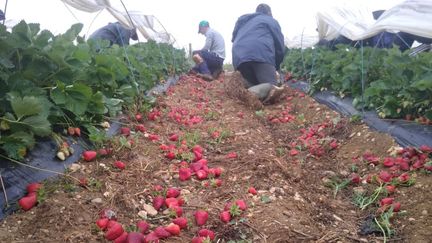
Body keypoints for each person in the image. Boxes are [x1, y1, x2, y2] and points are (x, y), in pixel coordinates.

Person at [231, 3, 286, 105]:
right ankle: (249, 93)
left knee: (255, 82)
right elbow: (279, 46)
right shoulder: (270, 20)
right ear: (269, 13)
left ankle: (241, 86)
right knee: (272, 86)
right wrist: (276, 67)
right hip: (260, 53)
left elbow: (233, 38)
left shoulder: (244, 21)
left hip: (238, 57)